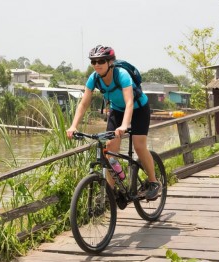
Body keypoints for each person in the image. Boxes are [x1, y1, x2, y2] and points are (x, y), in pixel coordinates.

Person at [66, 45, 160, 208]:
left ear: (110, 62)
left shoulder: (121, 75)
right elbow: (83, 103)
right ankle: (111, 190)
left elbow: (130, 102)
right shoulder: (94, 78)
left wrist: (124, 125)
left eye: (101, 61)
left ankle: (153, 182)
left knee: (138, 145)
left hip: (138, 108)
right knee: (110, 149)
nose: (97, 65)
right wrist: (73, 126)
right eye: (93, 62)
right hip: (117, 110)